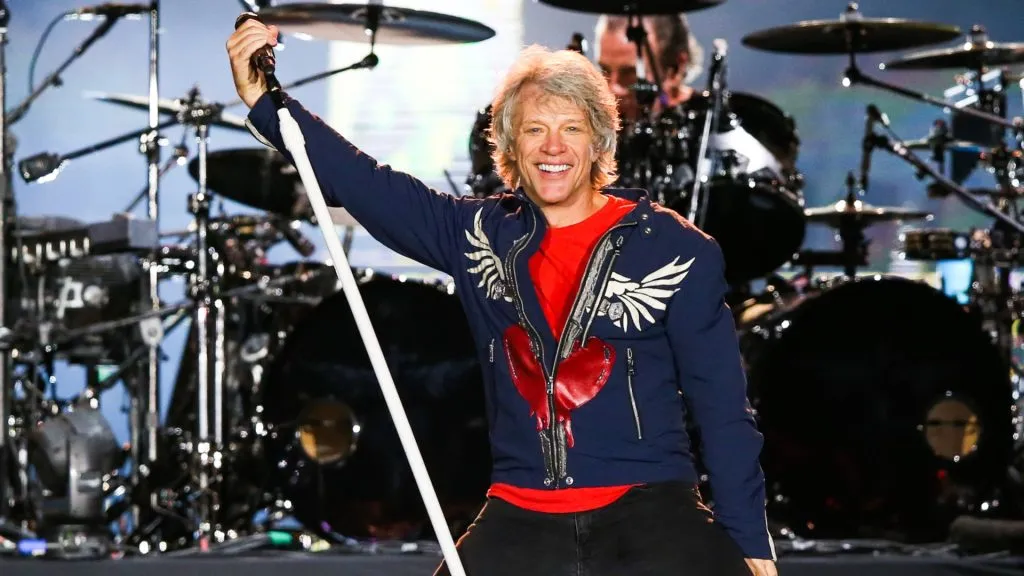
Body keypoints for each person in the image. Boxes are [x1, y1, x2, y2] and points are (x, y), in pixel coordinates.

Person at [227, 18, 777, 576]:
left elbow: (724, 410)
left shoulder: (677, 249)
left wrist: (751, 542)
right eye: (535, 130)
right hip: (521, 513)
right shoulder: (477, 235)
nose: (554, 147)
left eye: (572, 128)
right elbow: (364, 182)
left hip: (650, 506)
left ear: (599, 140)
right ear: (510, 145)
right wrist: (268, 104)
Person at [594, 13, 704, 123]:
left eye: (630, 75)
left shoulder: (707, 126)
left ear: (675, 68)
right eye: (605, 72)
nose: (612, 91)